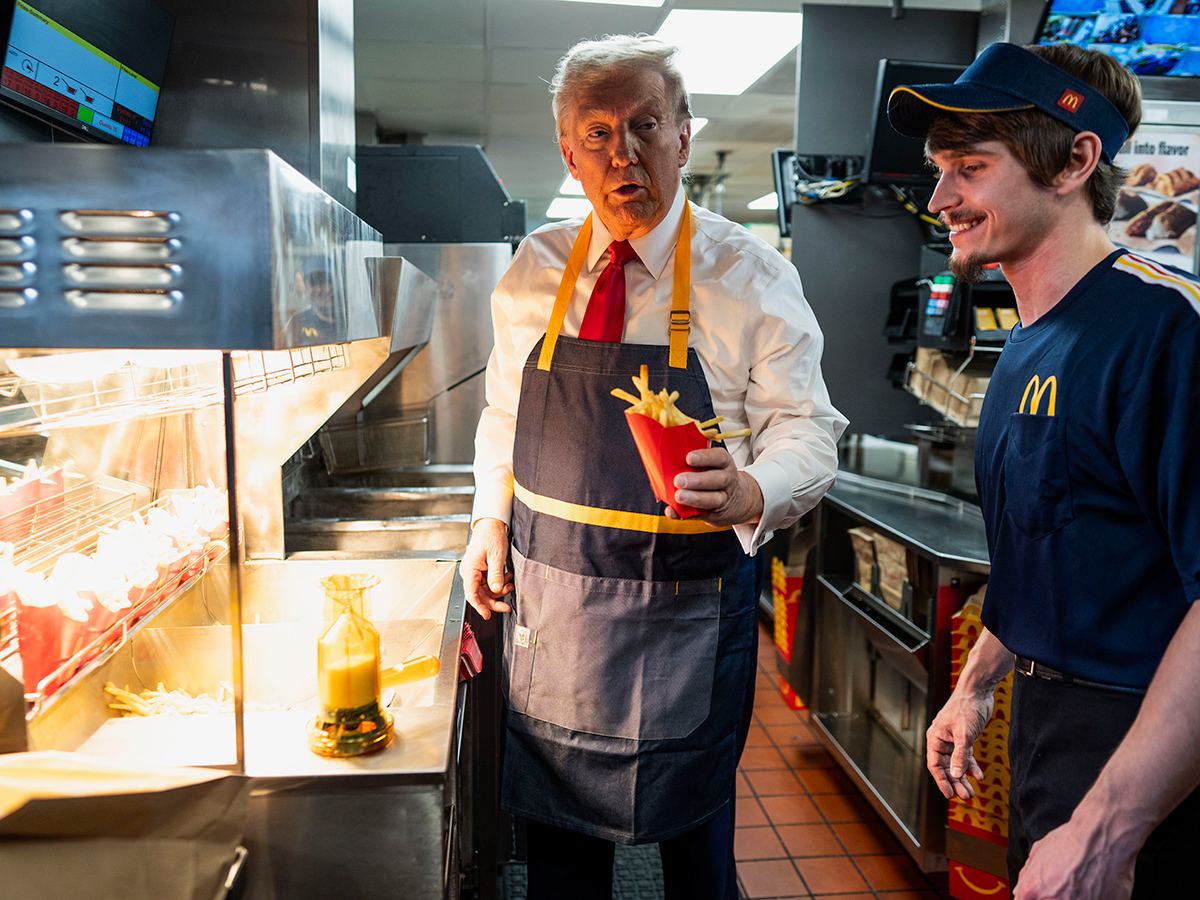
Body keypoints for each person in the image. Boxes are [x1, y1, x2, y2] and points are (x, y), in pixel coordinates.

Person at [461, 34, 846, 900]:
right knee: (562, 867)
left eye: (644, 125)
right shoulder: (535, 270)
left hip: (686, 621)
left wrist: (752, 488)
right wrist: (489, 518)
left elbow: (810, 435)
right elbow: (507, 415)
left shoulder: (750, 275)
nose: (622, 152)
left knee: (696, 866)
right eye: (596, 133)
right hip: (555, 619)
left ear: (683, 135)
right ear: (568, 150)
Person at [888, 42, 1200, 899]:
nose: (940, 198)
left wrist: (1107, 831)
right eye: (939, 169)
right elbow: (1058, 550)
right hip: (1046, 730)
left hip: (1150, 758)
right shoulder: (1026, 346)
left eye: (971, 168)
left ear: (1075, 160)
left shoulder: (1167, 333)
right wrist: (978, 682)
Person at [286, 255, 339, 343]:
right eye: (313, 282)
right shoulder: (298, 321)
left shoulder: (351, 319)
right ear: (306, 287)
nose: (320, 289)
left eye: (326, 279)